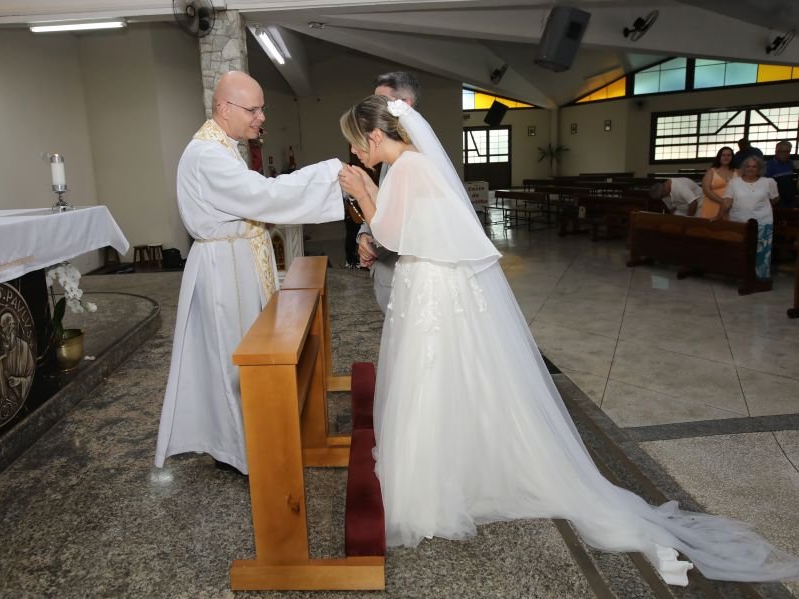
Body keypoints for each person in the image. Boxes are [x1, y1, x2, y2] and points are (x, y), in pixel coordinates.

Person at [338, 95, 799, 586]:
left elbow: (394, 235)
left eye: (355, 145)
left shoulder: (406, 168)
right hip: (431, 283)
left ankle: (433, 481)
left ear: (374, 136)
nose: (355, 155)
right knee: (447, 372)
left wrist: (364, 193)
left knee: (431, 371)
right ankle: (453, 461)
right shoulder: (418, 164)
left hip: (428, 285)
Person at [154, 71, 347, 474]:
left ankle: (247, 441)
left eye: (263, 108)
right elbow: (262, 196)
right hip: (225, 272)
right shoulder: (207, 155)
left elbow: (251, 204)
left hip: (236, 261)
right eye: (254, 109)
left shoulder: (222, 148)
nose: (261, 117)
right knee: (233, 358)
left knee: (239, 357)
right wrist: (328, 174)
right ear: (224, 108)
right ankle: (243, 451)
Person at [356, 71, 421, 313]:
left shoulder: (414, 159)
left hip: (409, 278)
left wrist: (362, 194)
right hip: (389, 275)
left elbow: (399, 228)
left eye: (380, 104)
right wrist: (363, 236)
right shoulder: (390, 154)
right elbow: (385, 202)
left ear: (404, 105)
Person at [720, 155, 779, 280]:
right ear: (743, 168)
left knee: (761, 251)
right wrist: (719, 215)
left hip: (762, 221)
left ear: (759, 169)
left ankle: (760, 277)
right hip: (739, 222)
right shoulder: (734, 182)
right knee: (739, 249)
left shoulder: (768, 182)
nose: (750, 169)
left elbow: (774, 199)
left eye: (754, 166)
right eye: (748, 166)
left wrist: (759, 207)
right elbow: (727, 201)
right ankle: (739, 275)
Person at [0, 310, 35, 403]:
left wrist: (19, 381)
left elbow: (31, 376)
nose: (2, 332)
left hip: (20, 397)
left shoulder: (24, 347)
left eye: (11, 325)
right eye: (2, 327)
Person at [699, 146, 736, 219]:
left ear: (732, 157)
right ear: (719, 157)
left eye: (729, 155)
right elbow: (706, 190)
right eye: (723, 155)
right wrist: (723, 202)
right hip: (712, 204)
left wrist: (728, 204)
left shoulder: (737, 171)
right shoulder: (711, 171)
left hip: (732, 207)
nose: (726, 157)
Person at [764, 140, 797, 209]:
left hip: (790, 200)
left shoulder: (790, 163)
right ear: (777, 152)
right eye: (785, 152)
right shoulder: (769, 166)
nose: (787, 154)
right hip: (778, 203)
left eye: (789, 152)